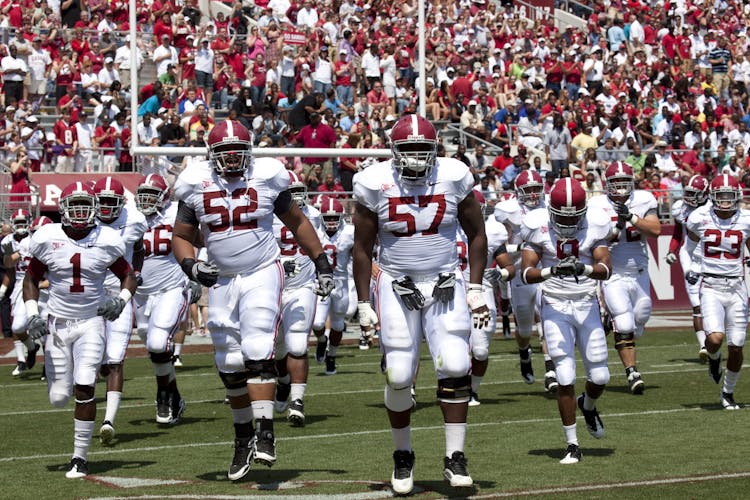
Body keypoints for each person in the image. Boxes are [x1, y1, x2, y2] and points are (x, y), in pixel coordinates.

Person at [172, 119, 333, 481]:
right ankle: (243, 436)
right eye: (225, 153)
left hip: (262, 270)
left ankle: (265, 433)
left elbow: (297, 221)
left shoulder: (267, 175)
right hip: (223, 279)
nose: (232, 159)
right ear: (211, 155)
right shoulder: (195, 181)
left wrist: (320, 260)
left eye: (238, 152)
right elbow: (180, 235)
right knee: (228, 361)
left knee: (259, 345)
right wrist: (191, 267)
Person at [352, 114, 489, 494]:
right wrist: (364, 301)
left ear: (435, 151)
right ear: (394, 151)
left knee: (456, 363)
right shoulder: (373, 183)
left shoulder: (453, 176)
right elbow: (361, 249)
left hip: (445, 281)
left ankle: (454, 457)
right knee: (398, 373)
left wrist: (475, 286)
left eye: (422, 149)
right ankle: (403, 455)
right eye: (408, 149)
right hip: (397, 284)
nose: (414, 157)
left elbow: (477, 234)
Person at [23, 181, 138, 478]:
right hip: (58, 325)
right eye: (74, 206)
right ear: (62, 209)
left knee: (85, 384)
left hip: (91, 322)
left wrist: (121, 300)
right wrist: (33, 314)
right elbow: (31, 279)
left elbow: (128, 275)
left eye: (85, 206)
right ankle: (60, 391)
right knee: (59, 397)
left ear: (94, 208)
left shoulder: (107, 239)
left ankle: (80, 458)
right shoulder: (47, 237)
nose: (80, 212)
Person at [520, 178, 612, 464]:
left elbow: (606, 268)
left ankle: (589, 404)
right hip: (555, 306)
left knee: (600, 376)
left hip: (586, 304)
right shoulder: (536, 224)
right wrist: (551, 271)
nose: (568, 222)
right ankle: (572, 443)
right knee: (565, 375)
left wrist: (583, 267)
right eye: (562, 215)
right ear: (551, 210)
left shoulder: (596, 223)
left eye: (573, 216)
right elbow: (526, 273)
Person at [588, 162, 661, 394]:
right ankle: (632, 372)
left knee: (641, 316)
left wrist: (632, 217)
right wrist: (615, 230)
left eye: (624, 184)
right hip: (614, 273)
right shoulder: (597, 205)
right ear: (606, 185)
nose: (620, 189)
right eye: (615, 184)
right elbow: (593, 240)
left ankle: (613, 324)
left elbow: (656, 230)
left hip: (639, 271)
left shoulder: (644, 199)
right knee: (626, 322)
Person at [133, 174, 198, 428]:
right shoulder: (130, 216)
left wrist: (194, 275)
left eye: (152, 195)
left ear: (164, 197)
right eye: (144, 195)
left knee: (159, 342)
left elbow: (196, 242)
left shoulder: (176, 214)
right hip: (141, 292)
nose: (147, 200)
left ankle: (162, 396)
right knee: (153, 346)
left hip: (172, 287)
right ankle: (175, 395)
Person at [685, 174, 750, 410]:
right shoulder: (699, 217)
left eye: (728, 196)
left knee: (737, 344)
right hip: (711, 285)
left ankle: (728, 393)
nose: (724, 201)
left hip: (736, 287)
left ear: (737, 197)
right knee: (714, 339)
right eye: (720, 196)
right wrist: (692, 267)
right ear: (712, 196)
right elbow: (688, 248)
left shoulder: (746, 219)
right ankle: (713, 358)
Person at [93, 176, 148, 444]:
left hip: (119, 292)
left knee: (115, 359)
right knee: (95, 360)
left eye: (109, 201)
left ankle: (108, 420)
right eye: (100, 201)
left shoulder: (135, 219)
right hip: (89, 295)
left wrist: (135, 273)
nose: (104, 207)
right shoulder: (83, 220)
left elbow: (139, 248)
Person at [494, 169, 558, 391]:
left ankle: (550, 370)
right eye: (528, 190)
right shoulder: (507, 211)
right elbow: (500, 247)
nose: (533, 194)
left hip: (544, 271)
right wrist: (519, 248)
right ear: (518, 192)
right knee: (523, 330)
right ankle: (524, 354)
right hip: (520, 274)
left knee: (547, 320)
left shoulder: (549, 204)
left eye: (535, 189)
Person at [271, 171, 323, 427]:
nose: (296, 197)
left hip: (302, 286)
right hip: (272, 287)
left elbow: (319, 248)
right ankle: (283, 382)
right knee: (278, 348)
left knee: (298, 343)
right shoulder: (264, 214)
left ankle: (297, 401)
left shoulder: (313, 215)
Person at [457, 190, 515, 405]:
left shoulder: (492, 232)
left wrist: (502, 273)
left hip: (482, 294)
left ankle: (473, 389)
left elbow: (509, 266)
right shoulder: (445, 230)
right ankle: (453, 387)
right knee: (454, 349)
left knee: (480, 351)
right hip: (453, 295)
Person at [665, 175, 710, 360]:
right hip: (689, 256)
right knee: (696, 303)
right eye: (688, 192)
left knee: (712, 301)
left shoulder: (712, 209)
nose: (690, 197)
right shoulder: (680, 209)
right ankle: (703, 346)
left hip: (711, 256)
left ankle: (716, 337)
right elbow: (677, 233)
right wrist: (671, 250)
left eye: (694, 193)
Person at [311, 196, 355, 366]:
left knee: (337, 325)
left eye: (334, 217)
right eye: (327, 218)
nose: (330, 221)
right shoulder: (315, 231)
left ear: (341, 217)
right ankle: (322, 340)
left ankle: (332, 355)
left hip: (341, 281)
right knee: (317, 322)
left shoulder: (350, 232)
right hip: (320, 280)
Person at [1, 209, 40, 376]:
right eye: (18, 223)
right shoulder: (7, 241)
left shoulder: (35, 239)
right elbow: (8, 267)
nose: (21, 226)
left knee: (44, 326)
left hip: (39, 282)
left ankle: (51, 367)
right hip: (19, 283)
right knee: (17, 326)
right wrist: (3, 289)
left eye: (24, 222)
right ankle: (31, 349)